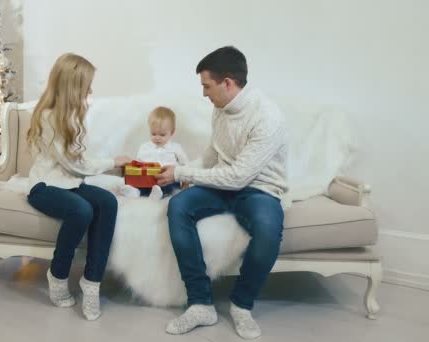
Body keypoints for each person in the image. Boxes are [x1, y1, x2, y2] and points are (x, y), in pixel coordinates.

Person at [156, 46, 287, 339]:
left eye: (207, 86)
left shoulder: (268, 117)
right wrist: (180, 173)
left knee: (268, 230)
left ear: (228, 82)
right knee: (178, 207)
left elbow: (240, 177)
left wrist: (182, 172)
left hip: (259, 190)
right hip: (222, 186)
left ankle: (241, 304)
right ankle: (200, 302)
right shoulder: (221, 109)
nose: (204, 93)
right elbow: (213, 156)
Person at [25, 53, 131, 321]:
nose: (91, 91)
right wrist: (112, 162)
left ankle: (91, 283)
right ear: (73, 85)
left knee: (108, 201)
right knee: (81, 210)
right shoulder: (48, 117)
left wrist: (113, 166)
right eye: (87, 85)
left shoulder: (72, 116)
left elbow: (77, 165)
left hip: (69, 184)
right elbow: (74, 164)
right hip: (45, 186)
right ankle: (58, 275)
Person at [119, 106, 188, 200]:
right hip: (148, 179)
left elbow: (186, 165)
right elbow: (138, 166)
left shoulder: (176, 148)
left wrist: (185, 183)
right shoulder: (144, 147)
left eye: (162, 135)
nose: (157, 138)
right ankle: (135, 191)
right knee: (141, 183)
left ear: (172, 132)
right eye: (153, 134)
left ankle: (158, 194)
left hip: (167, 179)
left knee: (171, 186)